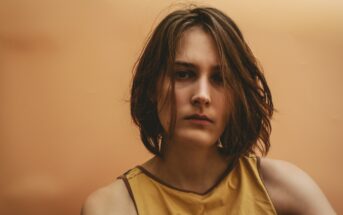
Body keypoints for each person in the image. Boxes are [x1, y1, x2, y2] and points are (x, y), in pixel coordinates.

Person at [81, 6, 336, 215]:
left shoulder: (285, 189)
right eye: (183, 74)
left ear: (236, 95)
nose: (202, 95)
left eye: (219, 78)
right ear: (152, 87)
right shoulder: (112, 207)